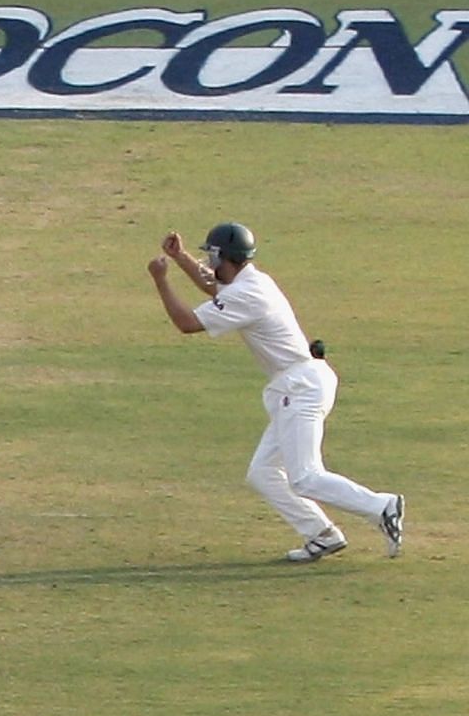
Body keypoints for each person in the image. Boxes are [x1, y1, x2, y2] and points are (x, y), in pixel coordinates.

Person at [149, 222, 404, 562]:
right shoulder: (249, 280)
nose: (209, 265)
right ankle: (321, 534)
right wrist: (180, 258)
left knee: (305, 477)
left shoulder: (248, 293)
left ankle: (382, 505)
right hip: (297, 383)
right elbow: (215, 288)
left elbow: (187, 323)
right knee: (263, 473)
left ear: (229, 258)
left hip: (301, 387)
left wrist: (161, 280)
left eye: (212, 257)